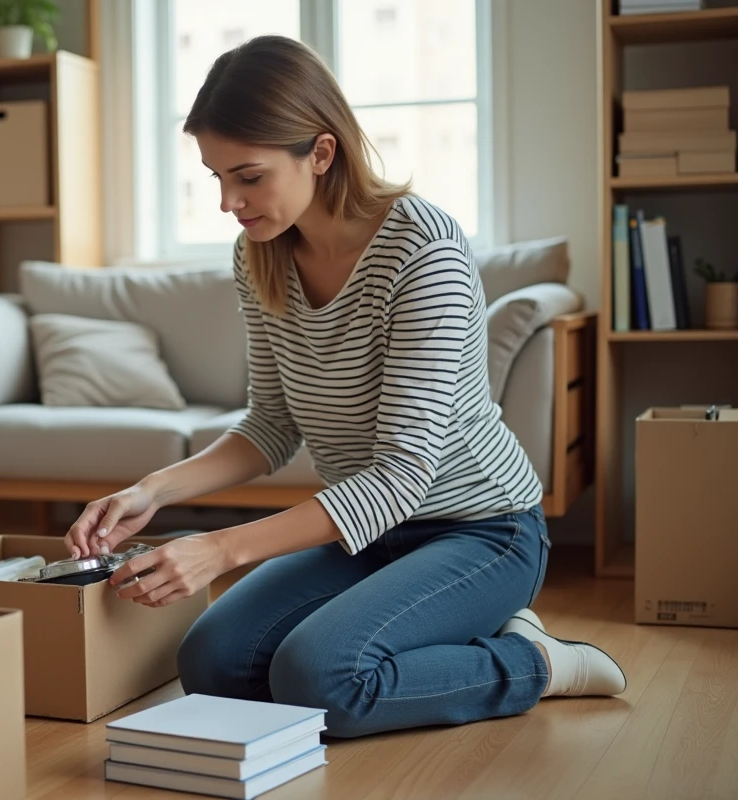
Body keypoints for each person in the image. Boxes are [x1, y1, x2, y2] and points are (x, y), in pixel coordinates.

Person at [63, 35, 626, 739]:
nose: (228, 202)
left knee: (319, 675)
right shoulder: (260, 254)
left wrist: (219, 549)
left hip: (482, 530)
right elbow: (269, 426)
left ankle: (533, 660)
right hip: (366, 537)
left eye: (248, 176)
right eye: (215, 178)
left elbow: (400, 477)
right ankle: (434, 633)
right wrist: (152, 491)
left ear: (321, 154)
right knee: (212, 663)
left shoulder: (424, 254)